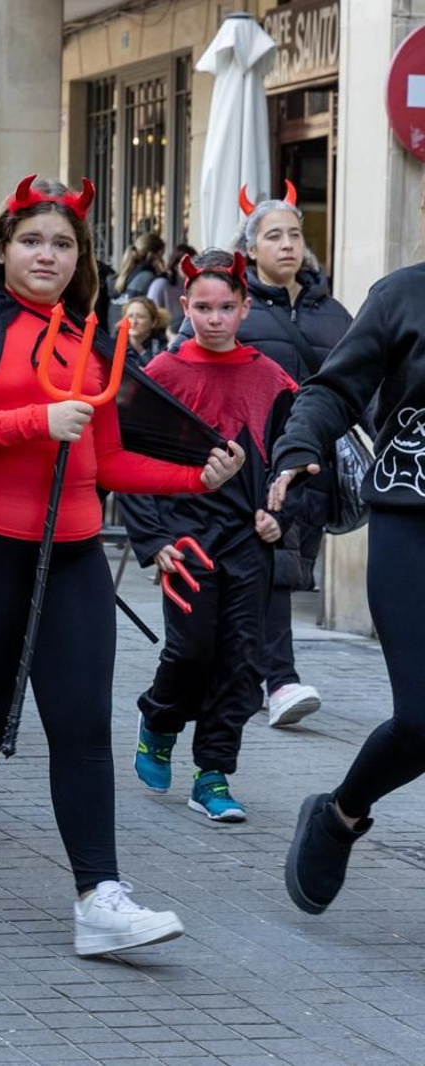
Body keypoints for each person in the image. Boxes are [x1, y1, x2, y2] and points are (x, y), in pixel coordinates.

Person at [0, 176, 245, 955]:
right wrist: (35, 420)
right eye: (32, 240)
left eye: (63, 243)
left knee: (84, 724)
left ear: (81, 257)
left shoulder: (92, 331)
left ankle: (100, 897)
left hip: (75, 552)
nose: (48, 254)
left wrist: (195, 479)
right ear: (5, 249)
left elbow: (109, 462)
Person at [272, 188, 425, 917]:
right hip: (413, 523)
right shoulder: (402, 296)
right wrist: (300, 448)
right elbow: (333, 389)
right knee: (424, 718)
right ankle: (341, 813)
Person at [121, 251, 303, 824]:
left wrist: (281, 516)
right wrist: (153, 540)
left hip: (247, 540)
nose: (216, 318)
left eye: (227, 307)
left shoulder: (272, 378)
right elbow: (125, 462)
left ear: (246, 308)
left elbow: (296, 462)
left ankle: (214, 774)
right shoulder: (163, 376)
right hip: (186, 538)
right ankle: (159, 719)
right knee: (191, 650)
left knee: (241, 660)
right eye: (203, 307)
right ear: (184, 307)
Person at [175, 189, 353, 727]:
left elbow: (356, 381)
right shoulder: (228, 303)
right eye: (273, 235)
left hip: (311, 462)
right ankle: (281, 680)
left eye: (295, 234)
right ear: (250, 249)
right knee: (272, 563)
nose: (287, 244)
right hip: (246, 463)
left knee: (279, 569)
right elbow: (182, 373)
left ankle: (243, 672)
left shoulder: (332, 311)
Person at [147, 244, 196, 339]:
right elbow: (150, 312)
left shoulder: (192, 286)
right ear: (175, 265)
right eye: (187, 264)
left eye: (195, 265)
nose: (192, 268)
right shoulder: (161, 284)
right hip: (162, 337)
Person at [112, 233, 165, 307]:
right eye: (161, 255)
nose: (163, 260)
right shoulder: (148, 277)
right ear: (151, 255)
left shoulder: (127, 273)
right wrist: (162, 275)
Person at [121, 295, 167, 366]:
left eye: (140, 317)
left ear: (154, 322)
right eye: (130, 316)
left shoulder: (164, 347)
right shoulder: (114, 345)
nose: (134, 321)